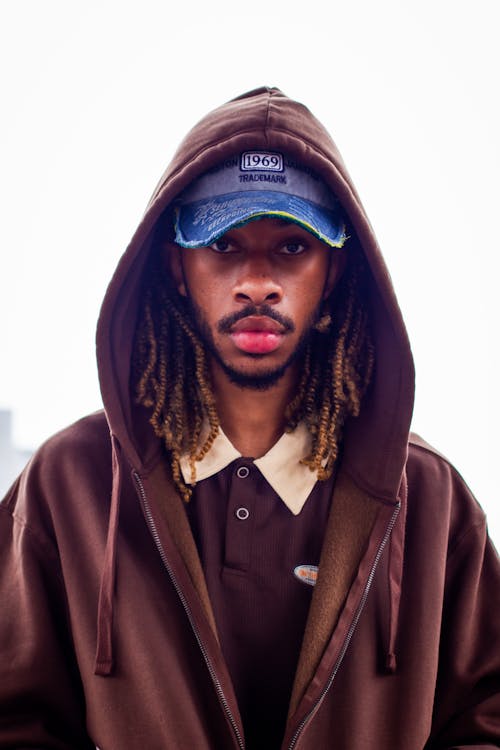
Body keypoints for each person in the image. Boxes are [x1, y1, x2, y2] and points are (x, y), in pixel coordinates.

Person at [0, 86, 499, 750]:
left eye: (293, 247)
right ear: (178, 267)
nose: (257, 281)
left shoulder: (432, 504)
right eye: (224, 245)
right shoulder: (71, 485)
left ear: (335, 270)